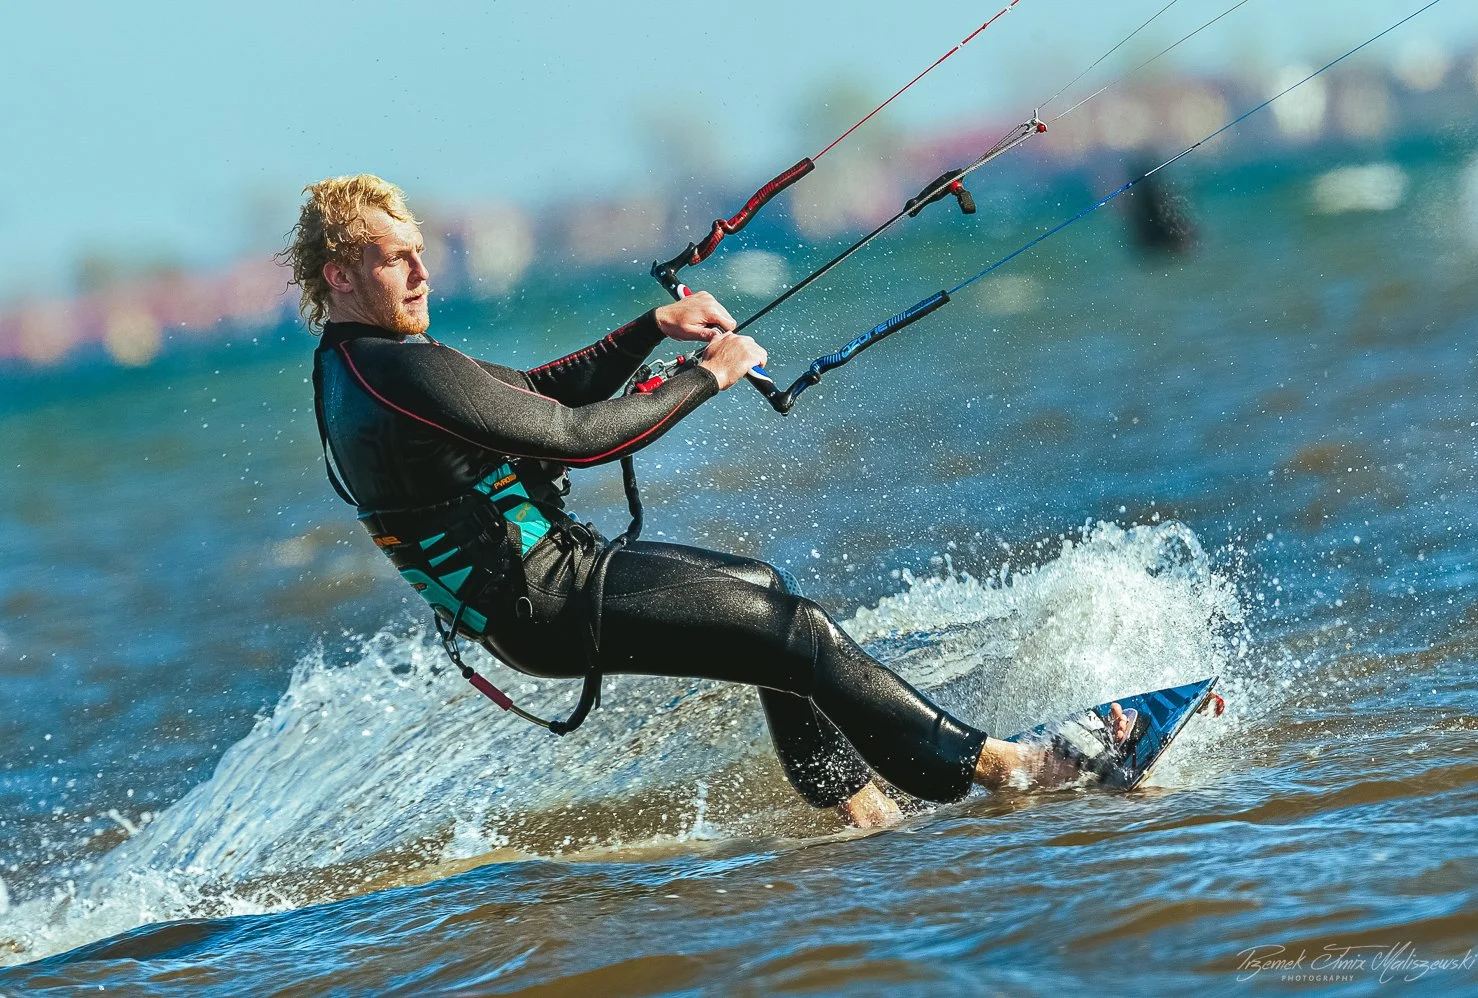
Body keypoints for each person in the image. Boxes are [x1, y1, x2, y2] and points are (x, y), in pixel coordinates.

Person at [283, 174, 1133, 828]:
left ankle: (860, 812)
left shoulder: (355, 365)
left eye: (419, 250)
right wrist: (706, 377)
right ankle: (1005, 768)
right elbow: (582, 437)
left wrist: (651, 327)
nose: (423, 271)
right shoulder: (395, 367)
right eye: (398, 258)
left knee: (761, 589)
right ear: (341, 275)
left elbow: (533, 396)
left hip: (542, 587)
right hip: (545, 598)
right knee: (794, 634)